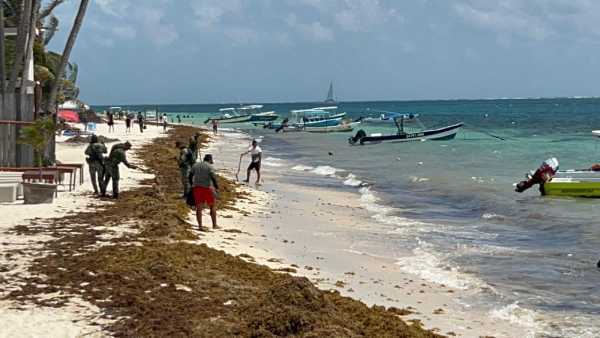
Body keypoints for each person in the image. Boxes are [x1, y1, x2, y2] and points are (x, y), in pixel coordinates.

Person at [190, 154, 220, 231]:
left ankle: (200, 226)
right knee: (212, 206)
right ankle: (214, 225)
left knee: (199, 208)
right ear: (210, 160)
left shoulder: (196, 165)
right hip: (207, 188)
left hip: (197, 188)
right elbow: (213, 178)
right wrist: (216, 188)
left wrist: (192, 185)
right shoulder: (210, 167)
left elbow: (190, 176)